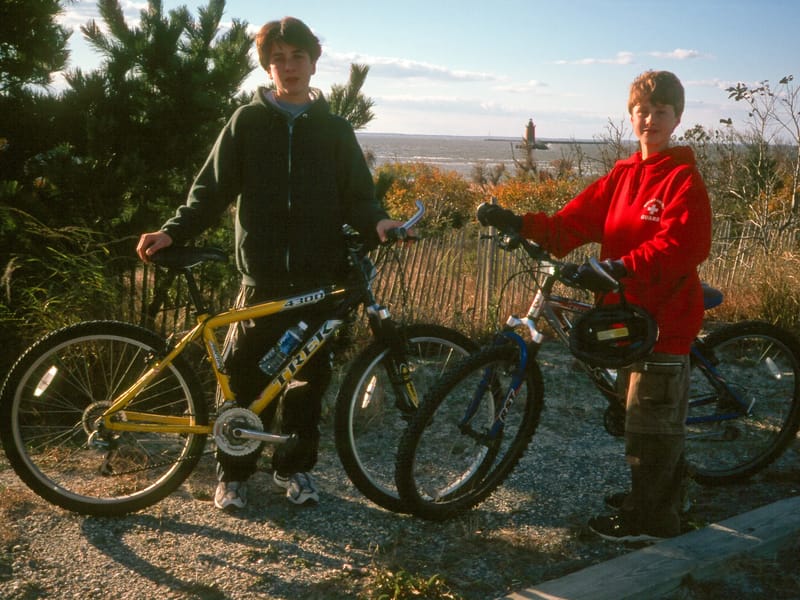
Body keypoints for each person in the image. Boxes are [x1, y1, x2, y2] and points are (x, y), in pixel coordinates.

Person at [137, 16, 403, 511]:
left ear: (313, 61)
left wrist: (380, 224)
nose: (289, 66)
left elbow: (359, 198)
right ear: (266, 66)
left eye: (297, 56)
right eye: (277, 58)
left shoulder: (335, 130)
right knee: (243, 377)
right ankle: (234, 474)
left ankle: (295, 470)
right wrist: (173, 230)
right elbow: (210, 191)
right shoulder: (245, 122)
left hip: (317, 277)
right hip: (259, 277)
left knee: (307, 382)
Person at [478, 70, 712, 541]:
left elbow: (683, 246)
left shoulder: (683, 179)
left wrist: (622, 266)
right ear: (631, 116)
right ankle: (658, 495)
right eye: (641, 111)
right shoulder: (624, 176)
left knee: (651, 425)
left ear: (677, 117)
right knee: (639, 416)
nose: (649, 119)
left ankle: (653, 521)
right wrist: (519, 222)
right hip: (624, 317)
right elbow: (571, 223)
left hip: (663, 320)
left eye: (660, 112)